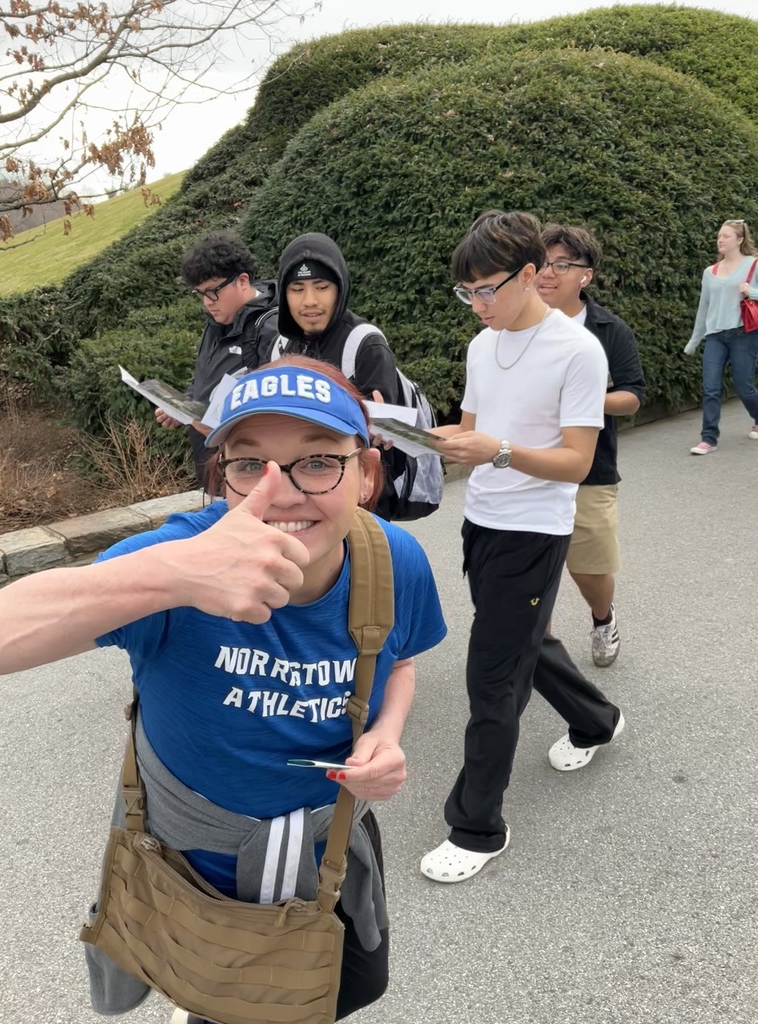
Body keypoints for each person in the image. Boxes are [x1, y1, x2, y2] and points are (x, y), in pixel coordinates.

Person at [0, 358, 447, 1024]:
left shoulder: (393, 560)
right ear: (222, 480)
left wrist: (386, 734)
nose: (282, 493)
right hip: (194, 871)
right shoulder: (179, 565)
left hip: (327, 849)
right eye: (249, 464)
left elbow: (398, 659)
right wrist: (174, 575)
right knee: (220, 1000)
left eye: (318, 461)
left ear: (368, 474)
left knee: (350, 989)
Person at [419, 210, 624, 885]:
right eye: (466, 293)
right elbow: (473, 433)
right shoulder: (484, 346)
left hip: (537, 532)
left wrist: (497, 451)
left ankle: (477, 827)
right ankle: (596, 719)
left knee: (492, 677)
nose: (477, 306)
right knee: (521, 642)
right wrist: (419, 437)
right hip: (483, 521)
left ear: (531, 274)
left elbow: (576, 461)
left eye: (486, 290)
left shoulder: (577, 351)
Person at [535, 223, 646, 667]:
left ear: (586, 275)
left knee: (589, 567)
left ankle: (603, 619)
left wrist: (586, 399)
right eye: (543, 262)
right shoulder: (515, 326)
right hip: (529, 465)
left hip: (590, 469)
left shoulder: (608, 330)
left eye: (562, 264)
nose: (548, 272)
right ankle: (537, 644)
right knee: (531, 565)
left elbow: (634, 395)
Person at [263, 232, 403, 520]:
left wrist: (382, 429)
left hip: (361, 510)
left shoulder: (366, 344)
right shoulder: (280, 347)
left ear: (340, 288)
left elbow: (386, 446)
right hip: (298, 499)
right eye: (297, 289)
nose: (310, 301)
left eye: (322, 287)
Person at [155, 232, 279, 485]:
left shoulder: (272, 328)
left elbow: (273, 409)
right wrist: (183, 406)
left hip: (248, 468)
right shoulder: (217, 319)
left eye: (213, 292)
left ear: (242, 281)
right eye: (200, 293)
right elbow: (207, 375)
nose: (206, 302)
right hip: (209, 461)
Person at [684, 219, 758, 454]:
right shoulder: (709, 272)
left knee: (743, 386)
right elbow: (703, 308)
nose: (720, 239)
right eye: (719, 235)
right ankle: (709, 439)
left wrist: (751, 291)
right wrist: (694, 340)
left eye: (726, 236)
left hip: (743, 334)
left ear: (739, 239)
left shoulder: (753, 265)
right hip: (715, 336)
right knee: (711, 388)